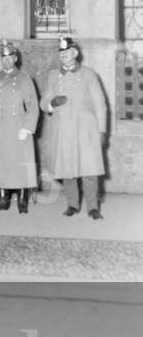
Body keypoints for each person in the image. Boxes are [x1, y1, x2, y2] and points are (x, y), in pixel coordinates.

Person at [40, 36, 108, 220]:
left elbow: (100, 104)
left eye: (67, 52)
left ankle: (93, 207)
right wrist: (51, 104)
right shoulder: (53, 75)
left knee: (89, 170)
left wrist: (102, 131)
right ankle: (72, 204)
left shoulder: (88, 74)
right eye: (61, 52)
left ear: (75, 53)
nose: (63, 55)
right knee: (67, 170)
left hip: (86, 130)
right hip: (63, 131)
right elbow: (43, 102)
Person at [0, 40, 39, 213]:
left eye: (9, 57)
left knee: (19, 164)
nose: (6, 60)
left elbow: (33, 105)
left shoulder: (24, 78)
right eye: (3, 57)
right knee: (0, 164)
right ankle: (3, 199)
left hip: (18, 127)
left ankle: (22, 200)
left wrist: (27, 128)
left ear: (15, 58)